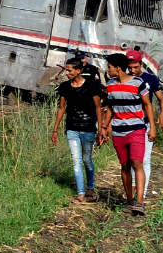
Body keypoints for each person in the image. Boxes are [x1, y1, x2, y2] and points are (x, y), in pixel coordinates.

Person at [101, 52, 156, 215]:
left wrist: (152, 127)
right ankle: (129, 200)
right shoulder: (110, 85)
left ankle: (139, 202)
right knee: (124, 166)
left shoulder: (138, 83)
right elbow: (110, 107)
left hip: (137, 129)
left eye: (109, 67)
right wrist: (104, 126)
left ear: (118, 68)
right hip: (118, 131)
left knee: (137, 163)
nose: (107, 70)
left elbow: (147, 105)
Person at [52, 58, 103, 203]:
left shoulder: (91, 86)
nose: (66, 73)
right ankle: (81, 193)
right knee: (76, 160)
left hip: (88, 128)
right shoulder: (65, 87)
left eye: (69, 70)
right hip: (72, 129)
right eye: (66, 70)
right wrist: (55, 130)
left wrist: (100, 129)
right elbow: (61, 108)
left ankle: (90, 188)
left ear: (78, 71)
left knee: (87, 159)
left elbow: (98, 107)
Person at [126, 50, 163, 198]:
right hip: (129, 124)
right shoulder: (125, 79)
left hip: (145, 124)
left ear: (141, 64)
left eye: (135, 67)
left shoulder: (150, 79)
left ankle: (142, 192)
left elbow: (161, 99)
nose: (133, 70)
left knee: (144, 159)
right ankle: (134, 188)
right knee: (132, 159)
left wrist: (162, 115)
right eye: (130, 68)